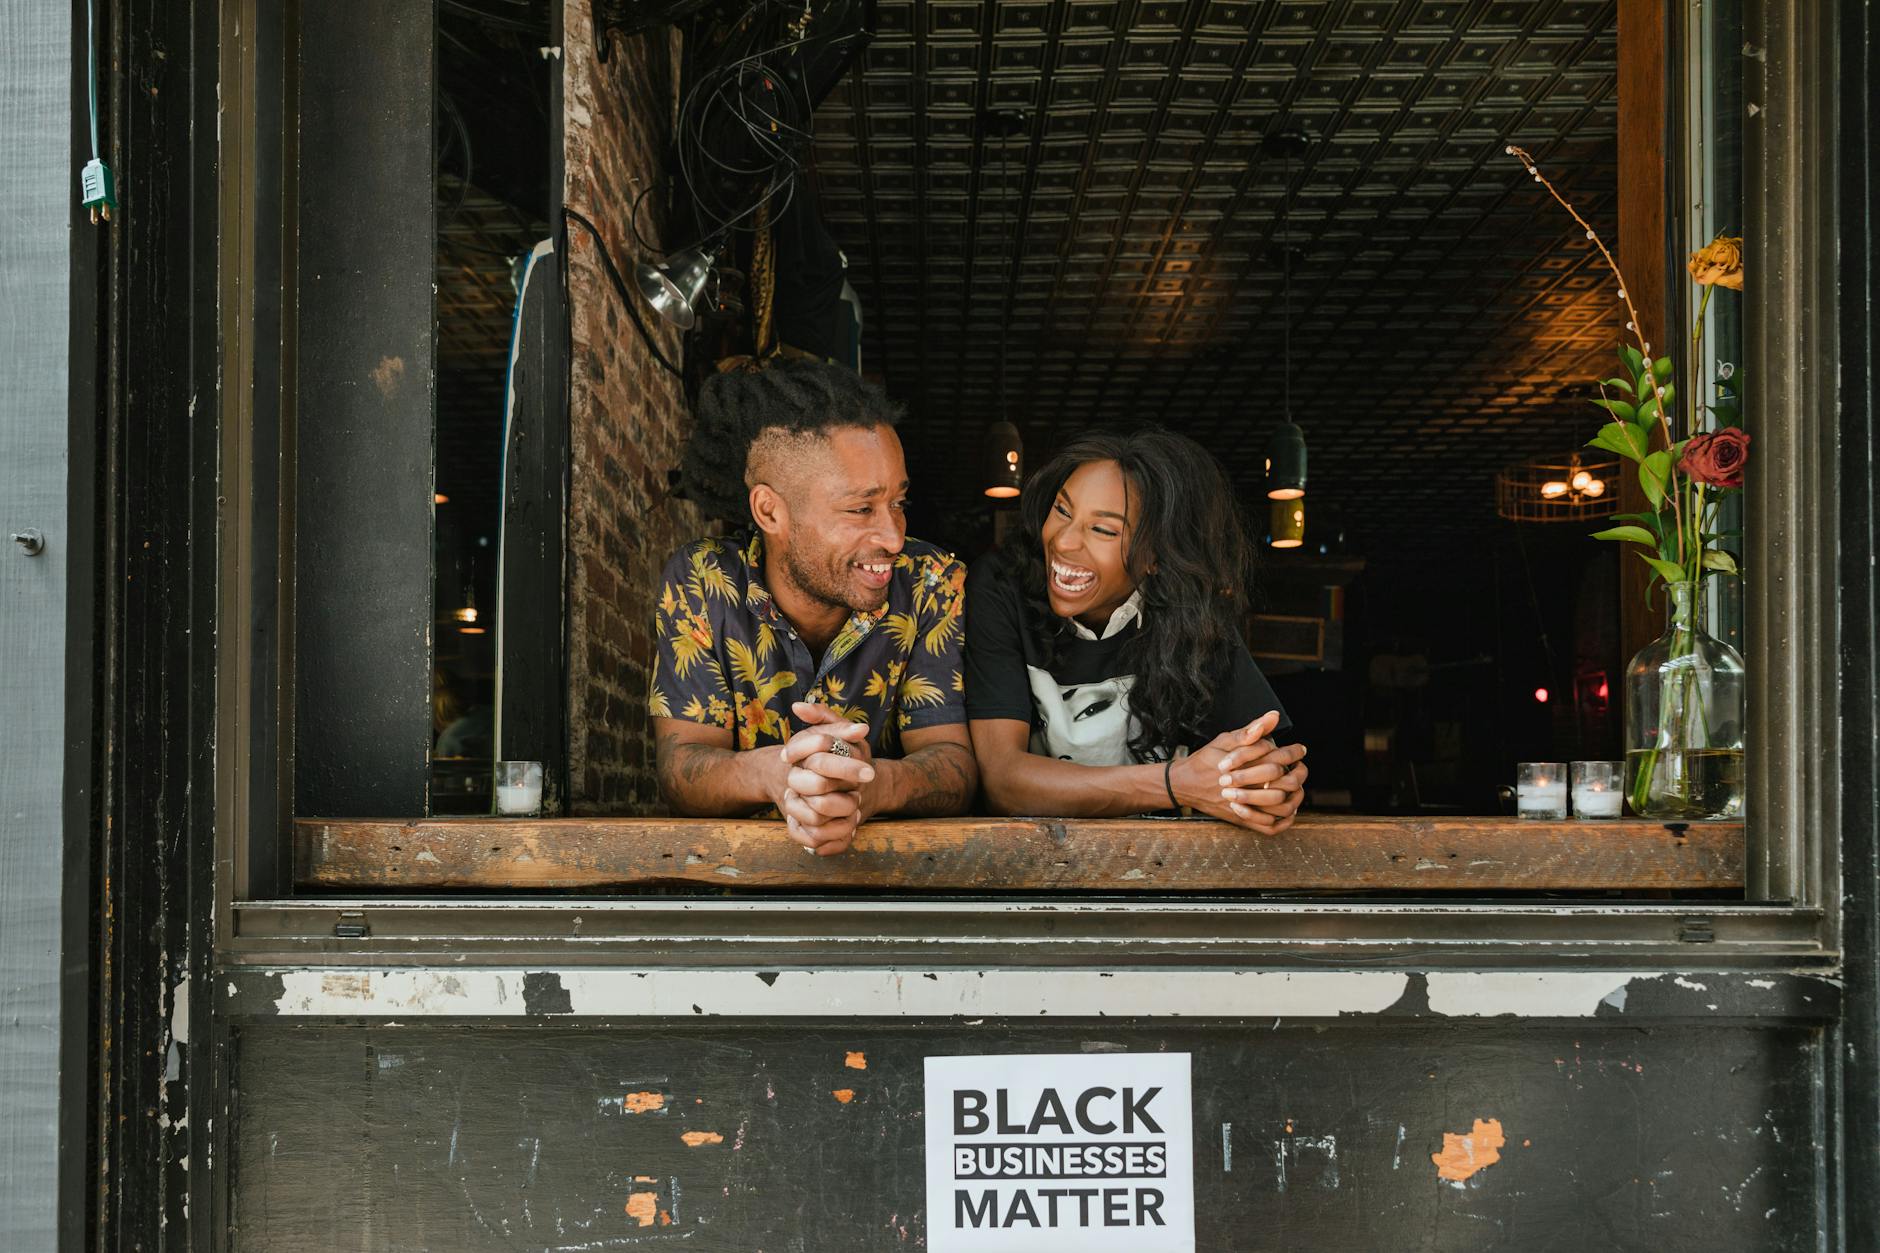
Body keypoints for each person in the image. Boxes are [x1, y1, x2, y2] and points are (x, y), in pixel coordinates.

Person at [651, 359, 976, 854]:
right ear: (770, 511)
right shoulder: (702, 580)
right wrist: (778, 774)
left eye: (898, 504)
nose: (893, 537)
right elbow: (679, 769)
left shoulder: (929, 581)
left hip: (892, 880)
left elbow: (953, 764)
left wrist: (869, 784)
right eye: (861, 509)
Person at [963, 426, 1308, 832]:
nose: (1064, 542)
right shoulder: (1002, 586)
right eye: (1062, 510)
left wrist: (1265, 785)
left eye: (1103, 530)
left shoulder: (1191, 612)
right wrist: (1176, 784)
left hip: (1160, 863)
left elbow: (1257, 758)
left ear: (1156, 556)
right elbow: (1004, 781)